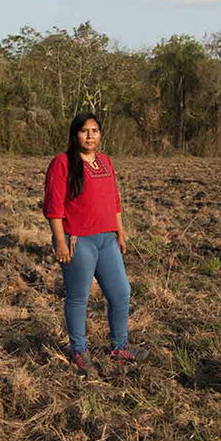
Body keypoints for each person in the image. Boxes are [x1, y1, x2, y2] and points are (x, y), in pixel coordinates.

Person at [43, 113, 146, 377]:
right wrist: (61, 243)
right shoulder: (62, 163)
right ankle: (79, 352)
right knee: (79, 297)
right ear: (74, 134)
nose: (90, 136)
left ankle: (119, 347)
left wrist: (120, 233)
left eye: (95, 130)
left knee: (121, 293)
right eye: (84, 131)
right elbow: (54, 207)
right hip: (78, 240)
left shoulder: (105, 162)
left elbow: (114, 201)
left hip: (106, 239)